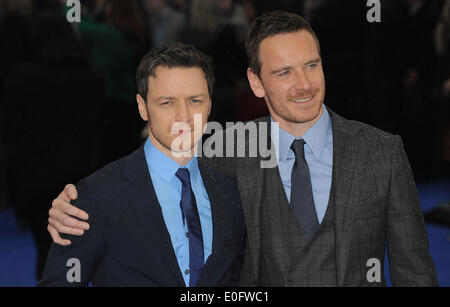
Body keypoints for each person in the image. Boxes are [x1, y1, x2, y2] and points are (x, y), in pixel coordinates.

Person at [47, 11, 438, 286]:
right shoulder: (227, 151)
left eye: (311, 65)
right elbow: (160, 159)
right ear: (255, 83)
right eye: (283, 72)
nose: (303, 84)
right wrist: (71, 204)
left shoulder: (381, 153)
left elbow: (415, 273)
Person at [38, 43, 245, 286]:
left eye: (195, 100)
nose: (183, 116)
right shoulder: (95, 198)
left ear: (210, 104)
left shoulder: (232, 188)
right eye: (167, 102)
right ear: (142, 107)